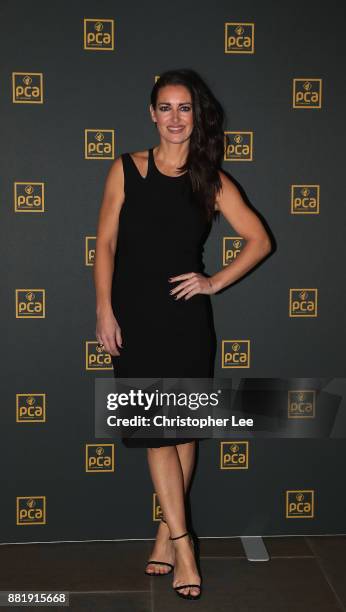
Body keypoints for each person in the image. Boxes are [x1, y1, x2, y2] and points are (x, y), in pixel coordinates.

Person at [93, 68, 271, 601]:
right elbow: (104, 244)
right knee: (156, 433)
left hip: (185, 320)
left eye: (184, 108)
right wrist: (103, 309)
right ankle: (184, 542)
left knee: (183, 432)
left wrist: (213, 281)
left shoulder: (210, 178)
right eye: (165, 108)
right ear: (152, 113)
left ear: (197, 115)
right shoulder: (125, 169)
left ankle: (167, 536)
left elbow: (260, 240)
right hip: (136, 318)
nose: (175, 118)